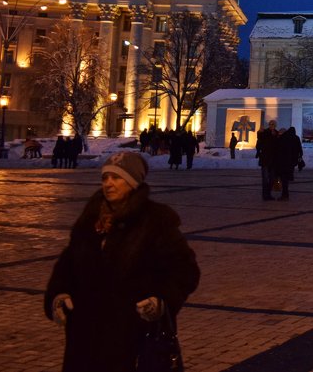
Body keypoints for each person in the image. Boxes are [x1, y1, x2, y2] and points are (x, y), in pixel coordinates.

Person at [44, 151, 200, 372]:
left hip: (131, 335)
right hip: (85, 335)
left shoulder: (155, 221)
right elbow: (68, 263)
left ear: (133, 182)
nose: (108, 184)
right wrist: (58, 293)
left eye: (116, 178)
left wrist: (161, 301)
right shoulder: (91, 218)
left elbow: (185, 270)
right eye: (105, 178)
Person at [273, 127, 303, 199]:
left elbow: (278, 149)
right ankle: (285, 194)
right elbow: (299, 149)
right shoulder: (296, 138)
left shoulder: (283, 138)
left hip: (283, 162)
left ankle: (285, 195)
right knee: (286, 178)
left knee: (284, 179)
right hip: (291, 161)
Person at [256, 120, 280, 200]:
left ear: (275, 125)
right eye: (270, 124)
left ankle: (268, 194)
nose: (271, 125)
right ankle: (265, 195)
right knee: (265, 178)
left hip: (274, 160)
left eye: (273, 124)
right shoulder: (265, 132)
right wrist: (259, 132)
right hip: (265, 160)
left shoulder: (277, 133)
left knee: (272, 178)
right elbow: (260, 138)